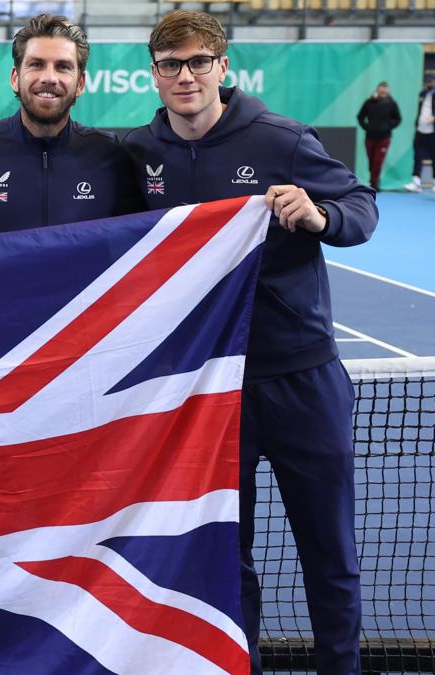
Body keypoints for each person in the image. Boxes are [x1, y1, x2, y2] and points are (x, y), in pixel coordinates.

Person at [122, 11, 377, 674]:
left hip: (303, 381)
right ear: (154, 74)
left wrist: (320, 216)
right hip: (208, 391)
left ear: (222, 67)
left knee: (329, 550)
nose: (186, 75)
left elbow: (362, 208)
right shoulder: (139, 156)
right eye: (171, 64)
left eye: (198, 61)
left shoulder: (283, 141)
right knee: (225, 554)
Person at [0, 15, 143, 234]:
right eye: (36, 64)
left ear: (81, 84)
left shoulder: (110, 154)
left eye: (63, 67)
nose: (49, 77)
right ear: (15, 78)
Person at [356, 81, 401, 191]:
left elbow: (398, 118)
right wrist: (366, 127)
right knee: (371, 161)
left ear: (388, 92)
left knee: (378, 161)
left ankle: (374, 183)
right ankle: (374, 179)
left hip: (384, 138)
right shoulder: (369, 102)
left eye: (385, 91)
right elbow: (360, 116)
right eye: (381, 91)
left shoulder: (392, 103)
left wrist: (388, 126)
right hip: (370, 137)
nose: (382, 93)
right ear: (377, 90)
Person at [403, 74, 434, 192]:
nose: (428, 84)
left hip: (432, 132)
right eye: (427, 82)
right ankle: (416, 182)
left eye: (431, 82)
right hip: (420, 131)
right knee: (418, 156)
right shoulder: (422, 94)